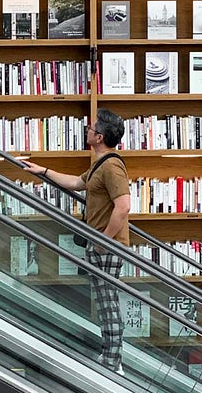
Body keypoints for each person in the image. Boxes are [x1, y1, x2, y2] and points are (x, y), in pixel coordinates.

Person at [22, 109, 131, 375]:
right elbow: (77, 182)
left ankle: (113, 361)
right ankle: (110, 355)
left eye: (91, 128)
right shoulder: (100, 164)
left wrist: (103, 241)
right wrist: (43, 170)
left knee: (108, 302)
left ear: (100, 136)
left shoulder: (112, 166)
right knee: (105, 302)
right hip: (101, 244)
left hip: (107, 245)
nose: (87, 130)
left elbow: (124, 206)